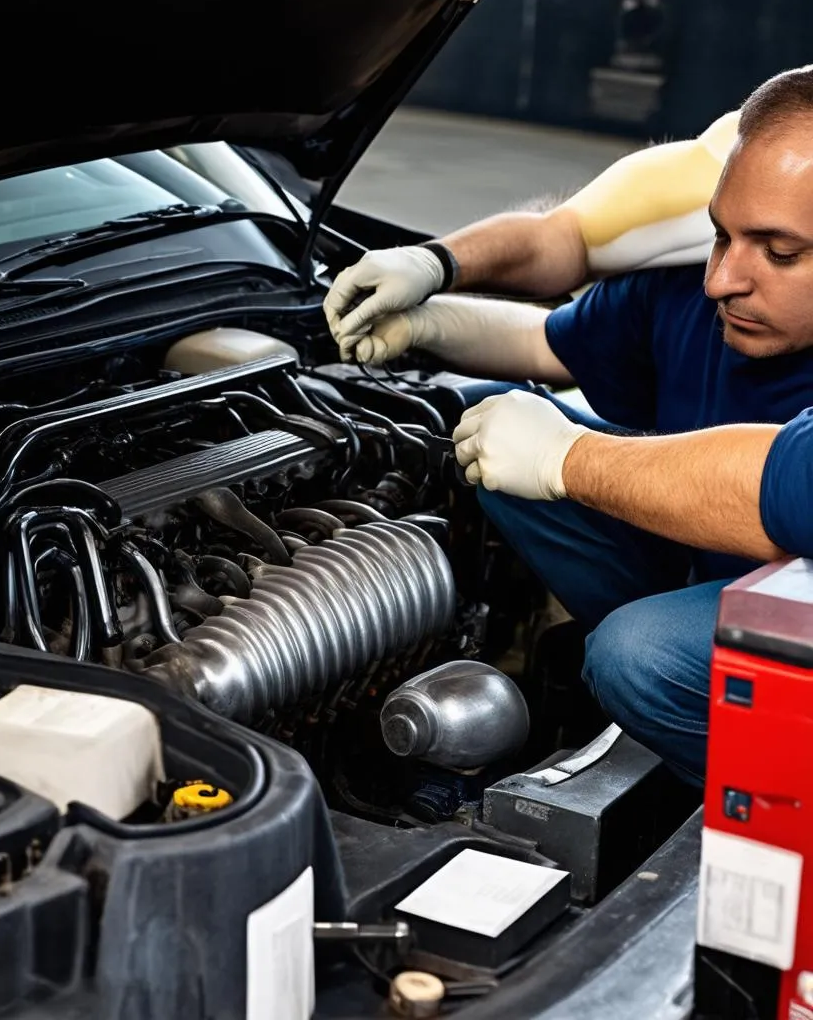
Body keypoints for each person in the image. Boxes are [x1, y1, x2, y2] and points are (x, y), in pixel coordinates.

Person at [322, 67, 813, 785]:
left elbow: (789, 491)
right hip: (718, 572)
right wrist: (431, 307)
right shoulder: (696, 287)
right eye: (720, 237)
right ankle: (659, 694)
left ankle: (758, 802)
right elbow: (549, 342)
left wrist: (566, 457)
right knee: (487, 423)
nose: (723, 280)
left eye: (780, 253)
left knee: (638, 654)